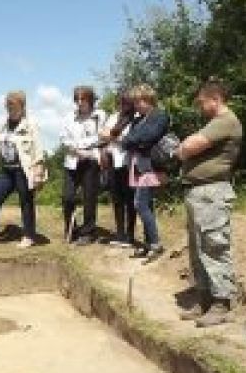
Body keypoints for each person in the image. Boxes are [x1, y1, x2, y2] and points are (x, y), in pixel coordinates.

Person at [177, 79, 242, 328]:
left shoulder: (225, 121)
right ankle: (205, 299)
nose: (200, 107)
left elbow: (190, 146)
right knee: (198, 249)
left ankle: (220, 304)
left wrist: (183, 148)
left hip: (212, 192)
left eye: (202, 102)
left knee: (214, 246)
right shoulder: (215, 123)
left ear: (215, 99)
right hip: (200, 192)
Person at [0, 90, 46, 249]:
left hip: (24, 170)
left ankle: (29, 236)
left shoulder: (30, 125)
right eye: (8, 106)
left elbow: (38, 148)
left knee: (26, 202)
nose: (10, 109)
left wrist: (39, 169)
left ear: (22, 107)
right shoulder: (4, 125)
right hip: (7, 170)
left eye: (13, 106)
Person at [121, 84, 170, 260]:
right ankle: (148, 243)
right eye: (135, 102)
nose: (136, 105)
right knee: (146, 205)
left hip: (152, 166)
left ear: (149, 99)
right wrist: (134, 141)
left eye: (139, 101)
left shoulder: (160, 116)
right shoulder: (137, 120)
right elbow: (127, 141)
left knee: (140, 204)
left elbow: (148, 137)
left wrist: (134, 140)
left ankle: (156, 245)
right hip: (137, 165)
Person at [60, 85, 105, 245]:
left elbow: (101, 137)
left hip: (91, 161)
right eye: (77, 99)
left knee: (89, 198)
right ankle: (71, 228)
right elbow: (63, 139)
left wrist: (84, 148)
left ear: (90, 100)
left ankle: (88, 232)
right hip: (72, 161)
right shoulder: (68, 117)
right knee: (67, 197)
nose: (80, 103)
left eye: (83, 99)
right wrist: (77, 149)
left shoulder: (99, 116)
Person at [100, 89, 140, 248]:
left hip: (129, 163)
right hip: (112, 162)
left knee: (130, 200)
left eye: (126, 102)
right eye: (121, 102)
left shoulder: (136, 119)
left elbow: (133, 140)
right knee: (116, 200)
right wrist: (116, 137)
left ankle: (130, 235)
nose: (122, 105)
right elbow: (102, 134)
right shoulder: (114, 117)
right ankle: (120, 233)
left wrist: (114, 137)